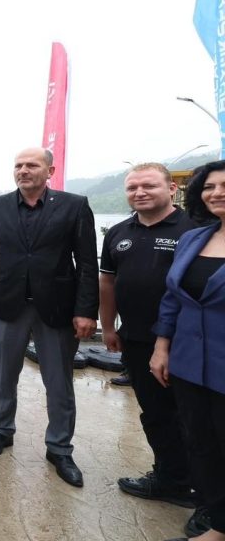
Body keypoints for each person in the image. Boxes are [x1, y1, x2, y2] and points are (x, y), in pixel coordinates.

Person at [0, 147, 98, 487]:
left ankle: (59, 448)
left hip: (57, 308)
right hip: (7, 305)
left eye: (32, 165)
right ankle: (2, 430)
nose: (23, 170)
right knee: (3, 375)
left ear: (50, 171)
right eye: (18, 165)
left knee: (58, 381)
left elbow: (87, 264)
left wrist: (86, 311)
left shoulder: (74, 205)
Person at [99, 163, 199, 509]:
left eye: (149, 186)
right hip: (137, 338)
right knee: (155, 413)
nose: (139, 192)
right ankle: (172, 479)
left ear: (171, 189)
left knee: (193, 416)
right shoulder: (118, 232)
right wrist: (108, 327)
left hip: (188, 341)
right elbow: (107, 282)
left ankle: (203, 489)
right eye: (132, 187)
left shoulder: (195, 230)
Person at [154, 160, 225, 541]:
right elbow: (172, 298)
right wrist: (161, 346)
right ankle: (219, 527)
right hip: (188, 362)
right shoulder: (194, 238)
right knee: (202, 445)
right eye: (209, 186)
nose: (217, 192)